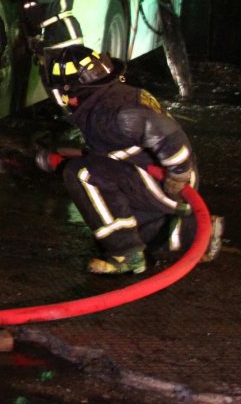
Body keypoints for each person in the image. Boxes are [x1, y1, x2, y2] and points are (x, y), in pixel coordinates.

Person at [36, 45, 199, 275]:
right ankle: (193, 234)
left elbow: (168, 136)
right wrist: (58, 157)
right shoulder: (112, 97)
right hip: (157, 177)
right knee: (125, 220)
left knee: (83, 174)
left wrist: (178, 173)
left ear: (69, 92)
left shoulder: (115, 113)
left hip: (170, 185)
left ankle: (125, 253)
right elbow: (111, 151)